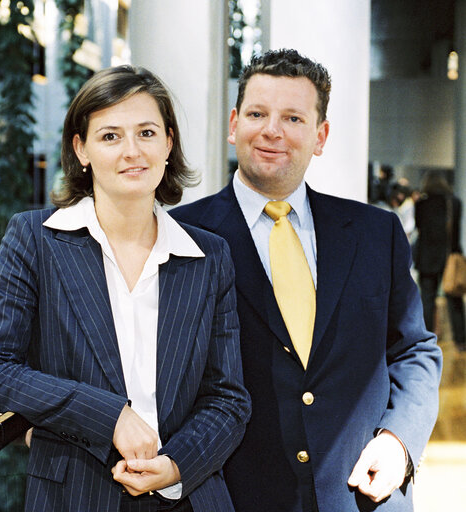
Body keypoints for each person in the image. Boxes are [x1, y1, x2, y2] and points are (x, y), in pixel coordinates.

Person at [0, 65, 251, 512]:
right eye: (110, 136)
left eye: (147, 133)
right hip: (74, 495)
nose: (132, 151)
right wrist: (109, 414)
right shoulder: (35, 239)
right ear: (82, 149)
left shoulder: (209, 257)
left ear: (169, 143)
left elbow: (227, 399)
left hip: (188, 496)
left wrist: (176, 466)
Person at [171, 49, 442, 511]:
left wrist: (399, 441)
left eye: (294, 118)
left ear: (321, 136)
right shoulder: (180, 239)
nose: (272, 130)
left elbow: (414, 350)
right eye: (258, 113)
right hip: (235, 498)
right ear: (234, 125)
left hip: (361, 496)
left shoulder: (377, 234)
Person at [415, 170, 465, 351]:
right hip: (449, 257)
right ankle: (460, 340)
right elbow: (456, 232)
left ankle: (428, 340)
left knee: (427, 300)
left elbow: (419, 227)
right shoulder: (455, 203)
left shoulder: (421, 204)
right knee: (454, 299)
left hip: (427, 257)